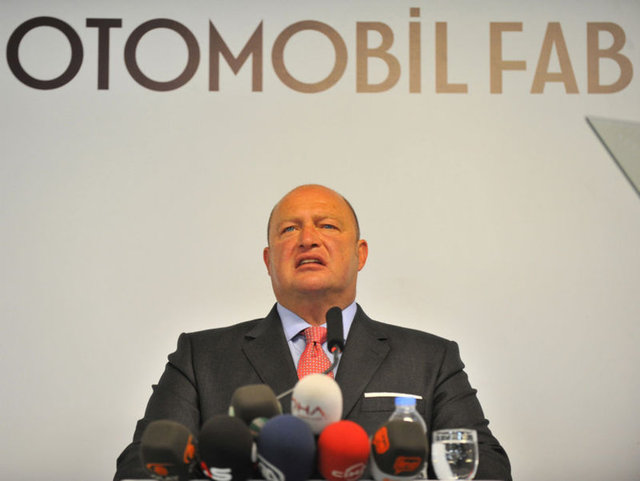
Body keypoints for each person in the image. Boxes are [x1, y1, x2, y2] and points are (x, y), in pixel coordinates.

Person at [114, 184, 511, 480]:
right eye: (289, 229)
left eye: (328, 226)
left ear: (360, 254)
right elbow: (141, 468)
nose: (307, 239)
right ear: (268, 260)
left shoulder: (430, 359)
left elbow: (485, 468)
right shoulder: (200, 357)